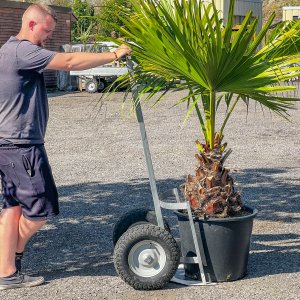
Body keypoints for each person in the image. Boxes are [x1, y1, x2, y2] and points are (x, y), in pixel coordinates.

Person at [0, 3, 131, 290]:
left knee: (12, 208)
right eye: (46, 30)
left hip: (10, 144)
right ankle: (8, 262)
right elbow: (69, 62)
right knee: (40, 208)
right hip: (20, 145)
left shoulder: (8, 50)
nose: (48, 37)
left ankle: (7, 271)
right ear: (31, 24)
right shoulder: (23, 51)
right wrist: (113, 55)